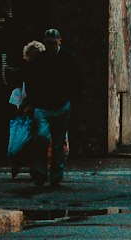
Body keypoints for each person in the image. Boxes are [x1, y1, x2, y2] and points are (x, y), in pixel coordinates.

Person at [25, 28, 82, 188]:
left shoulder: (68, 58)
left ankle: (55, 176)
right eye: (48, 43)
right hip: (43, 106)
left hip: (60, 106)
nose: (50, 46)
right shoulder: (40, 60)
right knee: (42, 139)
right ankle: (42, 174)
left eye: (52, 43)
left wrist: (71, 99)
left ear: (59, 41)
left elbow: (77, 80)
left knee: (57, 142)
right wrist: (32, 102)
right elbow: (31, 81)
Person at [7, 39, 44, 179]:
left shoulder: (27, 70)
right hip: (35, 109)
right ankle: (33, 166)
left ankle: (21, 164)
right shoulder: (37, 71)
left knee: (28, 140)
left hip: (32, 109)